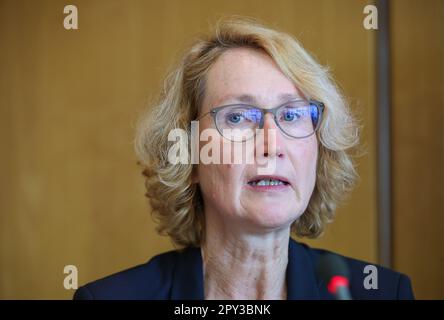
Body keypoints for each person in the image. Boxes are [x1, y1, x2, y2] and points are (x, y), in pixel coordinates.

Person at [74, 17, 414, 300]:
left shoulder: (381, 293)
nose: (272, 144)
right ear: (188, 154)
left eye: (292, 115)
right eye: (238, 117)